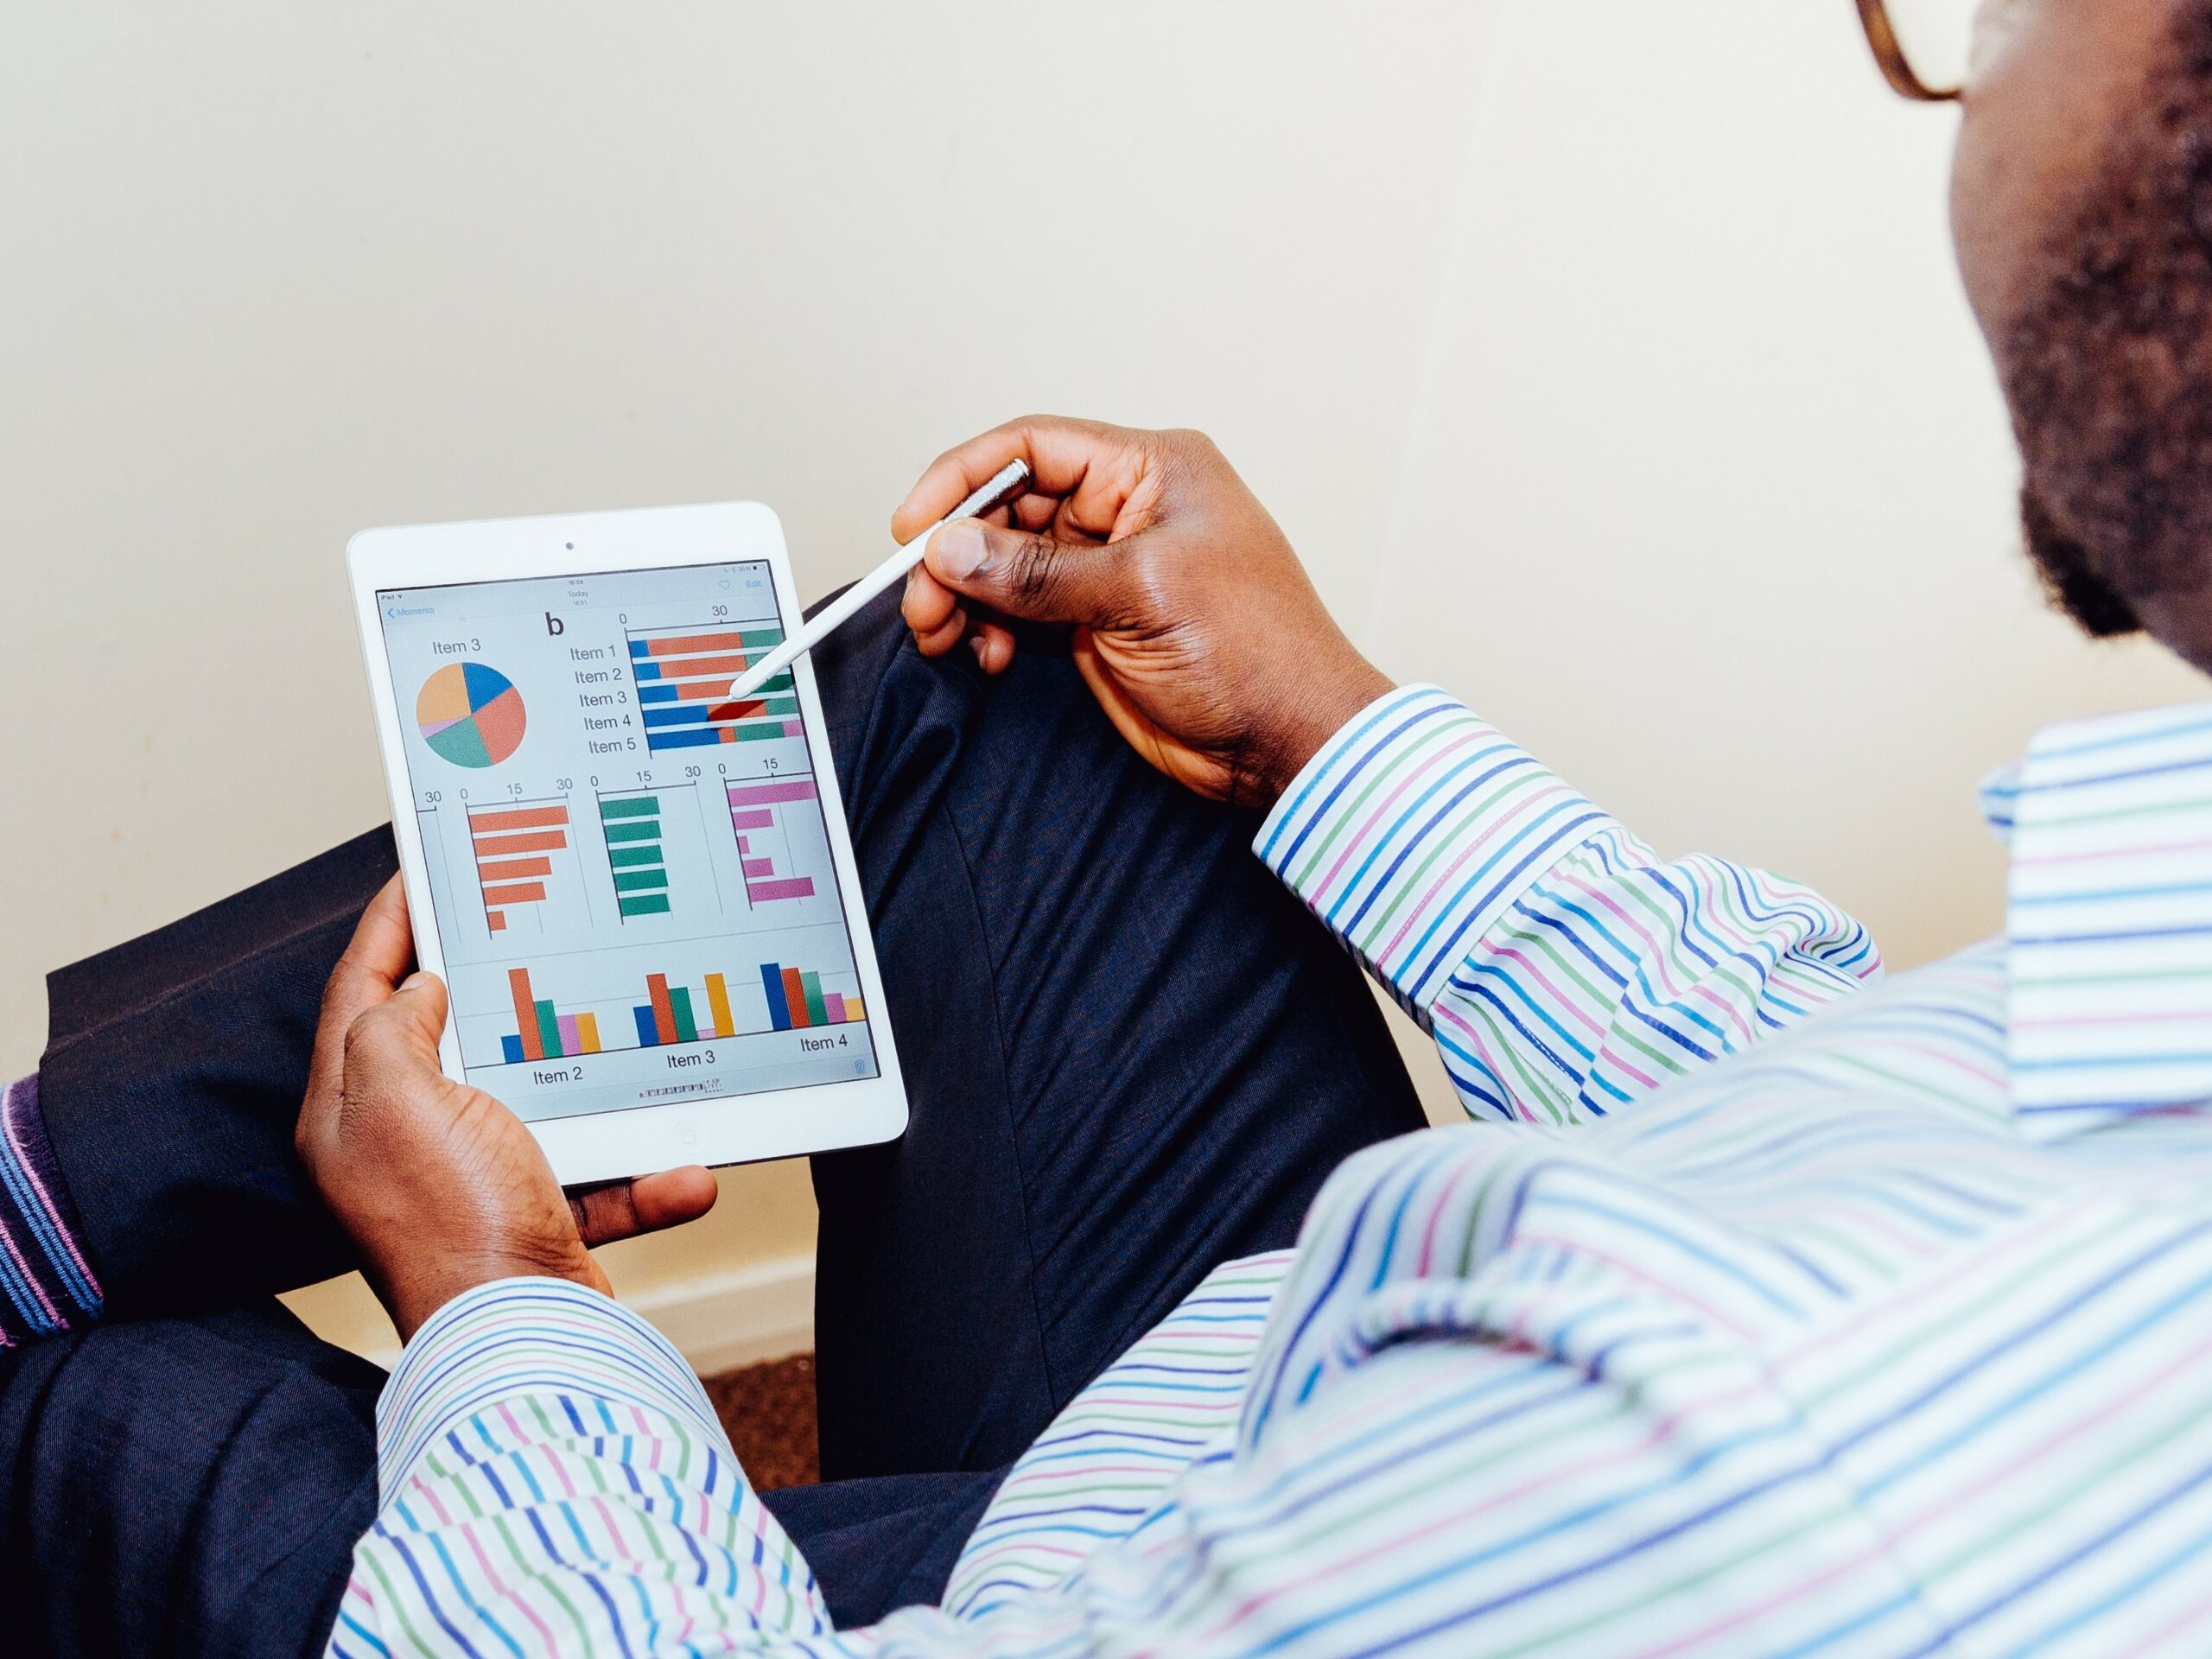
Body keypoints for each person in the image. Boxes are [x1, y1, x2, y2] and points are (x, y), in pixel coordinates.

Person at [9, 0, 2212, 1652]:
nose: (1968, 79)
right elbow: (1823, 1110)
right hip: (1263, 1407)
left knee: (95, 1410)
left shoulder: (1798, 1452)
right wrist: (1322, 729)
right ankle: (29, 1200)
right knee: (999, 687)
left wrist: (501, 1298)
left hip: (1083, 1588)